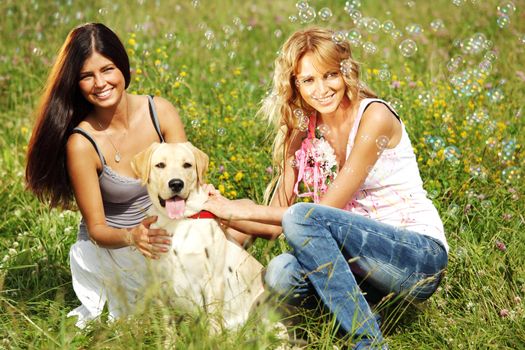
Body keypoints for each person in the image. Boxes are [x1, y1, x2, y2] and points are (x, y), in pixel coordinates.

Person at [203, 27, 448, 349]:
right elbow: (272, 226)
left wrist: (243, 208)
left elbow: (321, 212)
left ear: (346, 71)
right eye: (308, 80)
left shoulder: (374, 116)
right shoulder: (301, 132)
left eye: (330, 74)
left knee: (303, 217)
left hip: (415, 257)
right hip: (361, 269)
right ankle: (363, 314)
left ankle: (368, 343)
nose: (321, 89)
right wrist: (214, 211)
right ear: (295, 85)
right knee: (280, 271)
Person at [25, 23, 187, 328]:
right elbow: (97, 229)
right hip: (114, 249)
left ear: (122, 67)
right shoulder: (82, 144)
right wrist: (133, 235)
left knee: (234, 230)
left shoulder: (160, 112)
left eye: (107, 69)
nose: (100, 83)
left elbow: (190, 185)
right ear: (76, 83)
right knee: (152, 311)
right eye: (87, 76)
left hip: (161, 234)